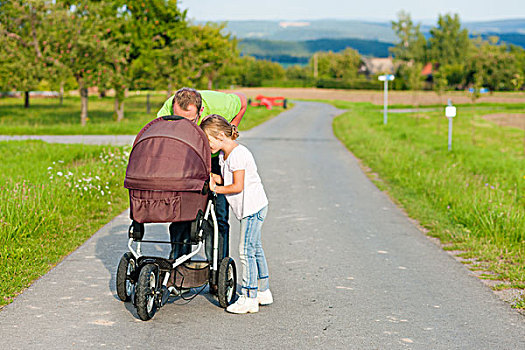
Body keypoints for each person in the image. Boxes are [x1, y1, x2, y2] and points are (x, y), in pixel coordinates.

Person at [157, 88, 247, 272]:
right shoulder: (165, 111)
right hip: (185, 157)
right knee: (181, 210)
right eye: (178, 119)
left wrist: (230, 131)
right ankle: (178, 264)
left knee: (218, 215)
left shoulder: (220, 103)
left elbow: (243, 101)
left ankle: (218, 268)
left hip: (214, 157)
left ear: (201, 110)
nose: (184, 125)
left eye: (189, 121)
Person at [200, 114, 272, 314]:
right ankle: (263, 291)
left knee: (245, 250)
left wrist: (215, 189)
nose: (208, 146)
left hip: (252, 209)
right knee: (255, 247)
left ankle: (249, 297)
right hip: (251, 208)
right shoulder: (225, 156)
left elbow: (237, 186)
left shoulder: (239, 154)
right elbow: (228, 179)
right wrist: (215, 178)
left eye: (209, 141)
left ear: (221, 135)